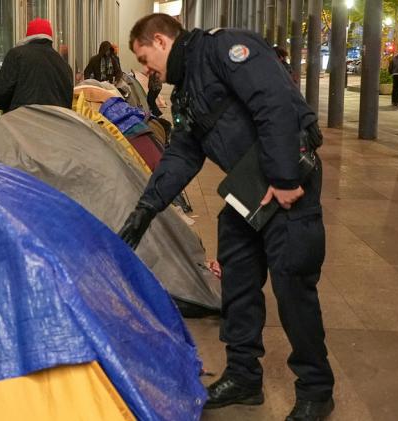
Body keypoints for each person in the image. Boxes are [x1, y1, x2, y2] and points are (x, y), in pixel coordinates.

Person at [119, 14, 334, 421]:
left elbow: (273, 101)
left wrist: (285, 176)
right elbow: (183, 154)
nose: (147, 70)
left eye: (146, 59)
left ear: (162, 41)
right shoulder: (185, 92)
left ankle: (317, 390)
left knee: (293, 286)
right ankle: (243, 376)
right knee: (236, 276)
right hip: (249, 186)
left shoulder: (224, 49)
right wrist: (146, 209)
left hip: (285, 180)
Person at [0, 18, 73, 113]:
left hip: (20, 124)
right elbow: (67, 105)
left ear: (27, 37)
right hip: (56, 126)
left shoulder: (16, 55)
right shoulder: (65, 66)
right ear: (50, 38)